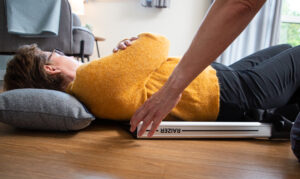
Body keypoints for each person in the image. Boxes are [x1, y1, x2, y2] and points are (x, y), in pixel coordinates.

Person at [3, 32, 300, 136]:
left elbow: (142, 63)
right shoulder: (93, 80)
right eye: (55, 53)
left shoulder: (92, 83)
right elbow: (158, 42)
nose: (63, 53)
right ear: (52, 68)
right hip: (229, 91)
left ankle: (285, 114)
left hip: (216, 78)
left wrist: (130, 49)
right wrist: (133, 44)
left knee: (283, 47)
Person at [129, 0, 268, 136]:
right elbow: (240, 4)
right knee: (288, 53)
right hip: (221, 89)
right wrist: (171, 90)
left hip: (214, 75)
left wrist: (126, 47)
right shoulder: (113, 91)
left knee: (285, 49)